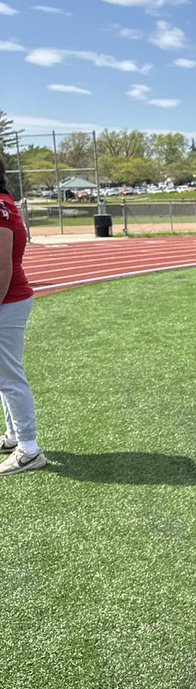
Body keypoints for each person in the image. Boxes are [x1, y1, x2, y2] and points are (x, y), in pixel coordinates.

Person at [0, 158, 46, 476]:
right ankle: (15, 435)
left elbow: (2, 266)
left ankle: (29, 449)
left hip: (8, 300)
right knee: (3, 376)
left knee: (10, 378)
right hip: (10, 299)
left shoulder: (0, 207)